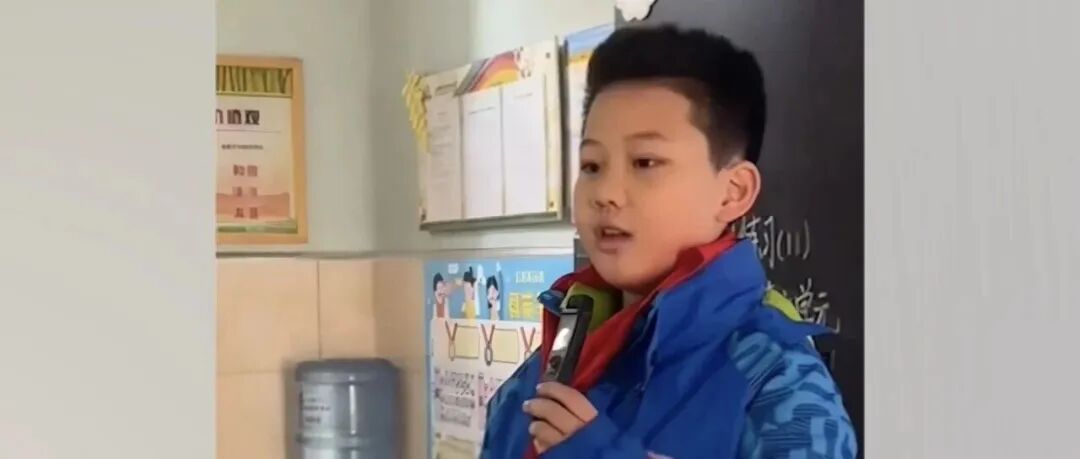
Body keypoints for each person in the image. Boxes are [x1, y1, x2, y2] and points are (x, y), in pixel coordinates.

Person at [480, 25, 856, 458]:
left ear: (733, 192)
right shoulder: (548, 363)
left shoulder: (777, 379)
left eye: (645, 162)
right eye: (592, 165)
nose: (606, 193)